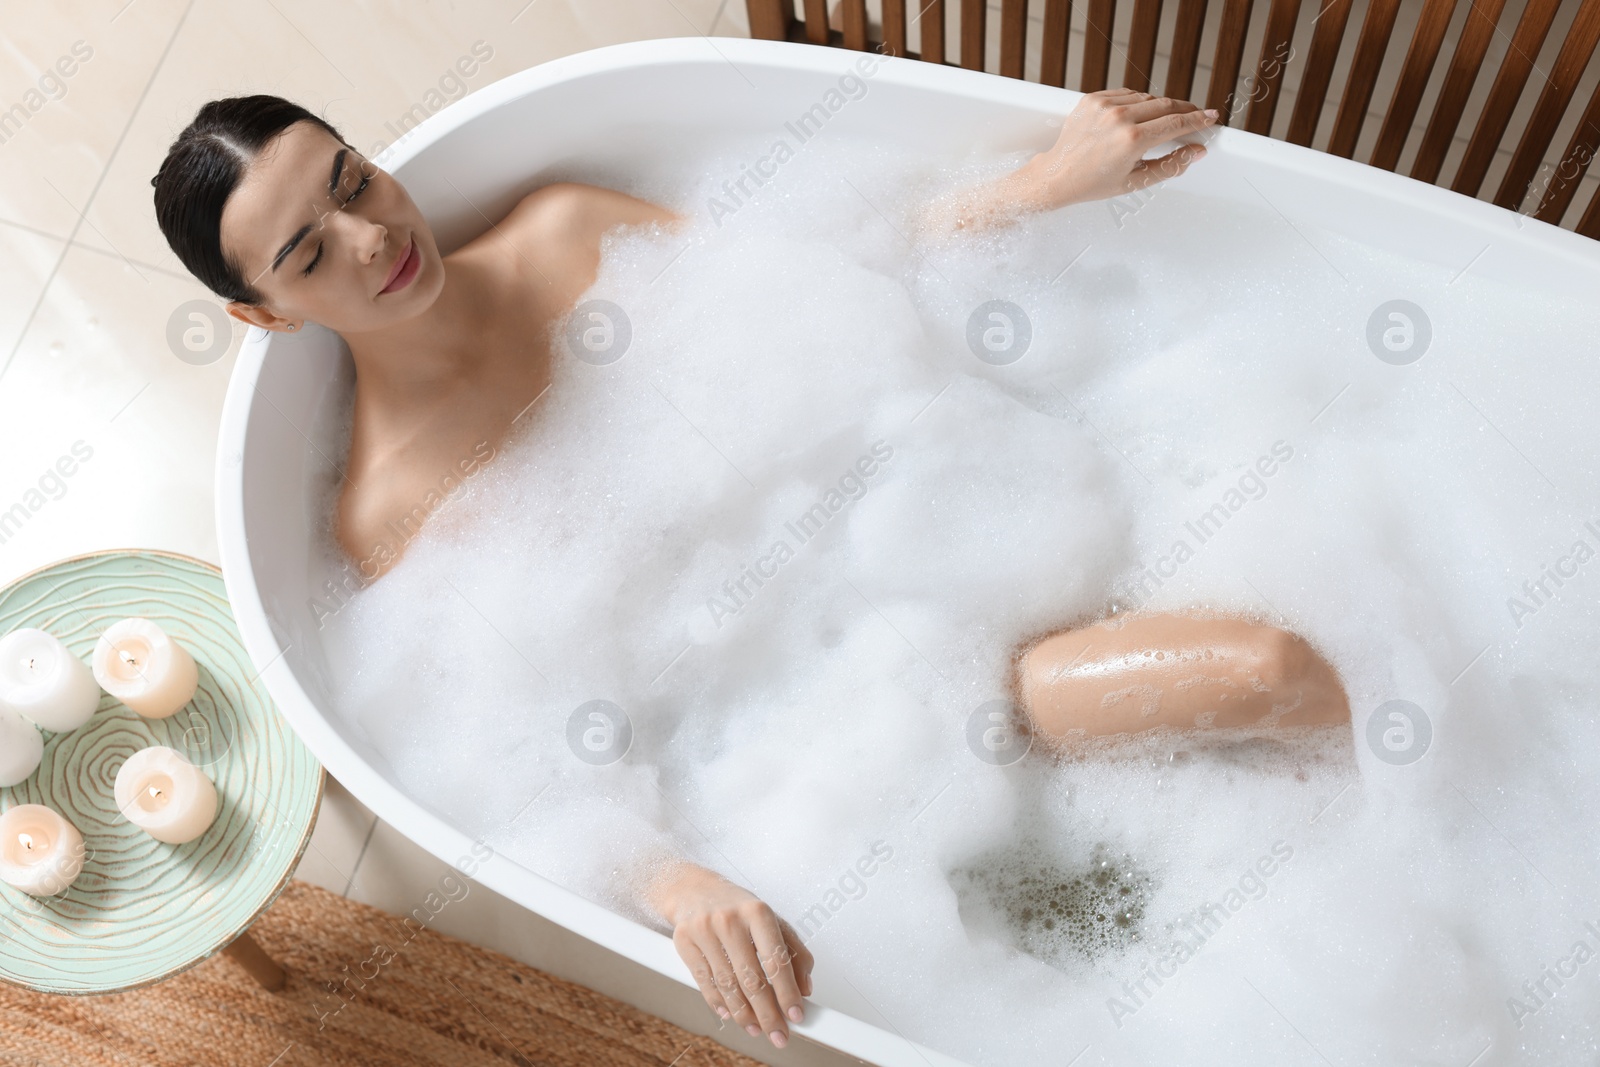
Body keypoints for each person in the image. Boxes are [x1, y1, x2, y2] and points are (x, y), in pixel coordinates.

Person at [152, 86, 1349, 1050]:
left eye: (351, 179)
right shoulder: (396, 511)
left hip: (974, 551)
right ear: (264, 315)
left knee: (1276, 666)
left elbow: (830, 274)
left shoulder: (568, 228)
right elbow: (517, 761)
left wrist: (1040, 186)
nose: (372, 240)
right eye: (309, 253)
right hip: (862, 731)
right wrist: (673, 887)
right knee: (1258, 674)